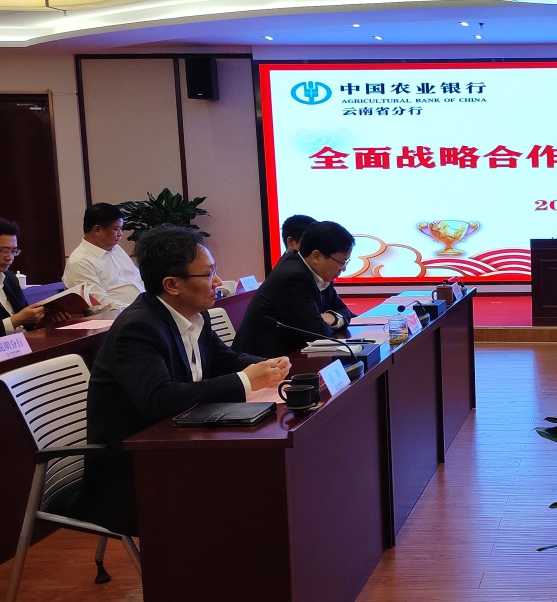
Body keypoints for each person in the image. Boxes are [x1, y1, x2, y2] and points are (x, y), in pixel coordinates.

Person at [85, 226, 290, 535]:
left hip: (183, 442)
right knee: (250, 486)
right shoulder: (138, 327)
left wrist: (268, 367)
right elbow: (159, 400)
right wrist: (245, 381)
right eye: (208, 275)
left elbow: (224, 359)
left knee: (261, 475)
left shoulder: (194, 313)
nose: (218, 283)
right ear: (172, 284)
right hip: (135, 467)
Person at [234, 220, 357, 357]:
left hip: (289, 355)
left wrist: (332, 318)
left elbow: (344, 311)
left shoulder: (319, 272)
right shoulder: (294, 278)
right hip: (260, 360)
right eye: (342, 262)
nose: (343, 269)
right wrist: (330, 320)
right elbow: (319, 333)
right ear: (316, 256)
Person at [63, 202, 145, 312]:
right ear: (97, 230)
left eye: (121, 229)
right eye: (116, 229)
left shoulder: (115, 248)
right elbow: (100, 305)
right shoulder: (80, 262)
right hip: (119, 317)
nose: (120, 234)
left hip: (142, 309)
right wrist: (141, 311)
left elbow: (138, 278)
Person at [0, 217, 48, 335]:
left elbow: (28, 320)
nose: (10, 258)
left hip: (25, 341)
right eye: (4, 251)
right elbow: (21, 318)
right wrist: (16, 320)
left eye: (13, 251)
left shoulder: (10, 278)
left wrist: (48, 318)